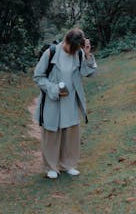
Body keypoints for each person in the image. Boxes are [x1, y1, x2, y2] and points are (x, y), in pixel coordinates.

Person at [33, 28, 97, 179]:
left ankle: (68, 164)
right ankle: (51, 167)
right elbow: (38, 76)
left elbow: (88, 73)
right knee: (52, 133)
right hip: (52, 99)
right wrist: (54, 89)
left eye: (76, 49)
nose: (71, 52)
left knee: (70, 133)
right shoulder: (51, 53)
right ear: (65, 40)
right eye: (70, 48)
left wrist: (87, 54)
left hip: (71, 100)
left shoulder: (79, 53)